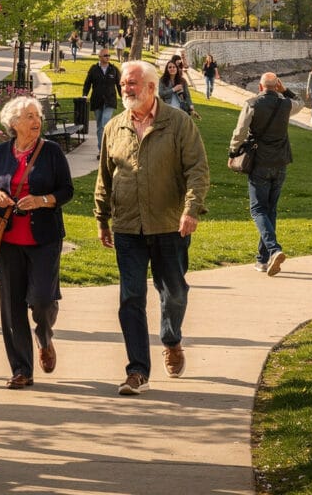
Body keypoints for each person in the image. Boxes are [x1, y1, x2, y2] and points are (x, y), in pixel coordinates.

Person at [94, 60, 210, 396]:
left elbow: (197, 170)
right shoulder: (113, 127)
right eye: (123, 85)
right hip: (128, 226)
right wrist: (101, 218)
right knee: (130, 298)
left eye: (132, 83)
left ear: (150, 87)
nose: (126, 89)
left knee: (173, 292)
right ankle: (137, 371)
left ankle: (171, 339)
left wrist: (190, 210)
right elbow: (105, 177)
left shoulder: (178, 123)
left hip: (169, 224)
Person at [0, 96, 74, 388]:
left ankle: (44, 336)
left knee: (42, 300)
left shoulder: (52, 152)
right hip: (7, 240)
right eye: (29, 116)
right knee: (11, 307)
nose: (37, 122)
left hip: (44, 238)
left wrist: (43, 200)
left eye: (37, 116)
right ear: (14, 123)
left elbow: (67, 190)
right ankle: (21, 369)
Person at [229, 72, 302, 275]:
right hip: (281, 162)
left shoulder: (252, 104)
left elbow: (240, 131)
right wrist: (285, 90)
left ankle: (273, 249)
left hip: (260, 161)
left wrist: (233, 152)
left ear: (260, 87)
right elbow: (300, 102)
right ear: (276, 86)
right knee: (270, 210)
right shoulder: (286, 104)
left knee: (258, 210)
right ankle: (262, 260)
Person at [82, 48, 122, 152]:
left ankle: (108, 148)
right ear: (100, 57)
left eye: (109, 55)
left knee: (105, 122)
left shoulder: (113, 69)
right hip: (97, 101)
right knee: (100, 127)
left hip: (110, 101)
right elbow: (87, 83)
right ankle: (102, 150)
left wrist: (123, 97)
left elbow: (119, 85)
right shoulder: (94, 69)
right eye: (105, 56)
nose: (108, 57)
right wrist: (85, 95)